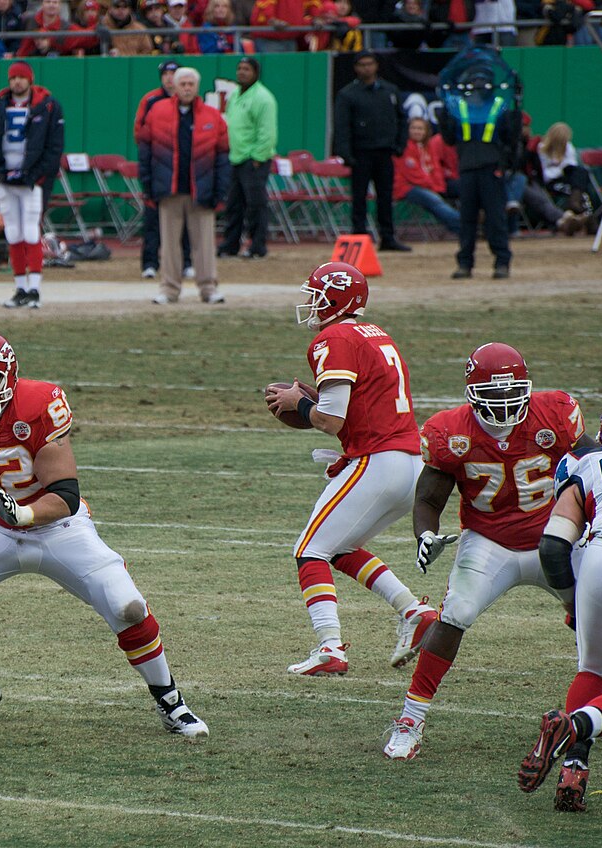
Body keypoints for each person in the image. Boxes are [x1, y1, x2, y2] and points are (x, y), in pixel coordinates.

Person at [0, 330, 210, 739]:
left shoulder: (39, 405)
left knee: (128, 607)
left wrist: (25, 512)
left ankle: (171, 703)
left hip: (58, 527)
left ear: (8, 378)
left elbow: (65, 495)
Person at [382, 343, 591, 761]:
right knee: (455, 614)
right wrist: (425, 534)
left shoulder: (555, 412)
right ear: (472, 393)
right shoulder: (449, 431)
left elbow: (591, 464)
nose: (505, 406)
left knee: (600, 609)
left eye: (512, 394)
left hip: (556, 537)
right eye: (493, 397)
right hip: (488, 541)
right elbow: (429, 499)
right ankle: (411, 718)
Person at [265, 262, 437, 676]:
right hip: (410, 465)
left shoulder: (335, 337)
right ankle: (413, 612)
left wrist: (297, 403)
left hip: (379, 462)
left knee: (309, 551)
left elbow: (331, 420)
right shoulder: (375, 333)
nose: (310, 304)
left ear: (337, 299)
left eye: (317, 296)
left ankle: (330, 648)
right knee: (339, 548)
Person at [516, 394, 602, 813]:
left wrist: (572, 602)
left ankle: (573, 769)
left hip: (598, 561)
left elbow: (552, 547)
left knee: (592, 671)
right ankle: (574, 727)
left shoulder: (584, 463)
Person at [138, 66, 230, 305]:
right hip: (169, 189)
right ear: (175, 87)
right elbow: (145, 150)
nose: (187, 88)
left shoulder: (212, 116)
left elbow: (222, 156)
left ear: (197, 87)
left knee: (205, 244)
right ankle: (169, 289)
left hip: (202, 189)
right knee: (169, 244)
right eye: (183, 84)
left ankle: (208, 288)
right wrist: (148, 185)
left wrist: (220, 190)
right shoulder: (157, 112)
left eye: (191, 84)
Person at [0, 61, 65, 310]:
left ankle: (35, 288)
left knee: (30, 231)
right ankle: (20, 287)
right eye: (13, 77)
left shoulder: (48, 105)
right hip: (6, 178)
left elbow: (54, 147)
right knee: (13, 233)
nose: (17, 81)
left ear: (31, 79)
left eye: (21, 77)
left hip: (32, 180)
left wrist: (35, 174)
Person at [437, 59, 519, 279]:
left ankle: (502, 261)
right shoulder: (459, 108)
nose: (479, 84)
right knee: (467, 219)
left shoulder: (498, 107)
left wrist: (516, 114)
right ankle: (465, 263)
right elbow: (449, 139)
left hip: (491, 168)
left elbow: (511, 139)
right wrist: (444, 116)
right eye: (475, 79)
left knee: (495, 219)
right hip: (467, 169)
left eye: (483, 80)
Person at [333, 51, 411, 253]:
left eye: (370, 64)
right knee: (359, 197)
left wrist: (400, 144)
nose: (366, 68)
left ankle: (388, 236)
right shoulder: (348, 94)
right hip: (360, 153)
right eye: (362, 65)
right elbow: (342, 126)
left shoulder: (389, 91)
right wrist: (345, 153)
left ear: (376, 66)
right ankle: (359, 236)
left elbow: (402, 119)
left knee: (385, 196)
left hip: (385, 151)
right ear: (356, 68)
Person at [133, 60, 191, 281]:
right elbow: (140, 132)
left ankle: (186, 262)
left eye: (173, 73)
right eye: (165, 74)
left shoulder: (189, 102)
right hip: (159, 167)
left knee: (185, 217)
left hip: (182, 169)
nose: (169, 78)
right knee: (152, 218)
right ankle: (149, 263)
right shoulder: (151, 100)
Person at [218, 57, 277, 260]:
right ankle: (230, 244)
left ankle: (257, 245)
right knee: (234, 204)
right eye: (239, 69)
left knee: (255, 204)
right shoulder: (235, 94)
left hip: (253, 160)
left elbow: (267, 132)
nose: (242, 72)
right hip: (236, 157)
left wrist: (258, 157)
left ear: (256, 73)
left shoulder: (263, 98)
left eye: (247, 69)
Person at [392, 117, 461, 236]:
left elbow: (436, 170)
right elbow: (413, 175)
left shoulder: (428, 147)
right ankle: (465, 227)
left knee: (466, 188)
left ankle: (482, 223)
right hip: (407, 187)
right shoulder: (403, 147)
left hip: (430, 186)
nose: (416, 131)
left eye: (420, 129)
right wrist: (434, 188)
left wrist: (438, 187)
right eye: (413, 128)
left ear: (426, 131)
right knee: (434, 200)